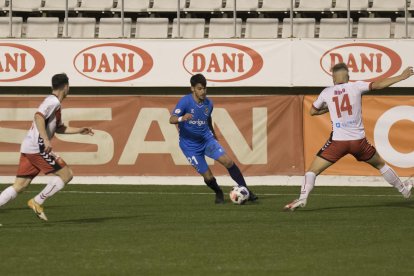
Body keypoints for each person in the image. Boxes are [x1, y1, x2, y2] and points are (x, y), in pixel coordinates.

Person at [284, 63, 414, 211]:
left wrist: (330, 108)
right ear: (348, 77)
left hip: (337, 143)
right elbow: (378, 85)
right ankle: (404, 190)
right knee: (381, 165)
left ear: (333, 78)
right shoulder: (356, 86)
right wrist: (402, 77)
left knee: (312, 171)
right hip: (359, 142)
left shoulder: (327, 92)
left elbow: (313, 111)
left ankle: (303, 197)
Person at [0, 73, 94, 221]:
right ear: (66, 87)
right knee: (67, 174)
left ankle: (36, 201)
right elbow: (38, 117)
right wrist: (45, 140)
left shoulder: (53, 102)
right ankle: (37, 201)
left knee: (20, 185)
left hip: (29, 146)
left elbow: (59, 128)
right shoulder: (53, 102)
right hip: (38, 147)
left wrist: (79, 130)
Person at [169, 74, 258, 204]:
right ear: (192, 89)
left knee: (228, 162)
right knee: (208, 176)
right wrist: (182, 118)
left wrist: (212, 132)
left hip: (206, 140)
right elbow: (171, 119)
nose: (203, 91)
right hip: (190, 146)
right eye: (199, 88)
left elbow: (207, 118)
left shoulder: (209, 103)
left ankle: (246, 191)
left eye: (204, 88)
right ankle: (218, 192)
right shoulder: (185, 102)